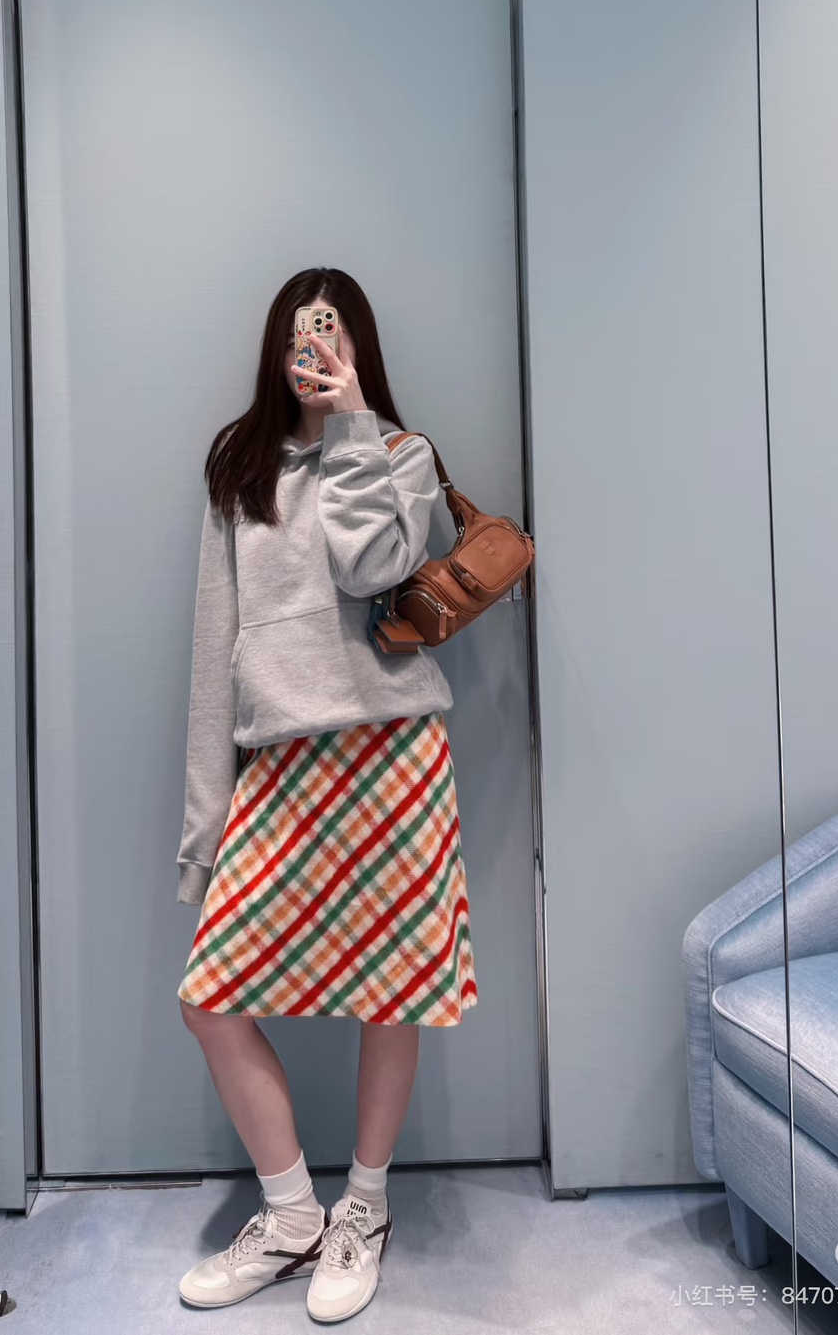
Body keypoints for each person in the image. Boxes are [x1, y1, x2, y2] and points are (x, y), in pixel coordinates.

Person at [175, 265, 477, 1323]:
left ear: (357, 348)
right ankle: (293, 1212)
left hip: (392, 756)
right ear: (278, 346)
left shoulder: (402, 454)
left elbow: (369, 569)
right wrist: (205, 827)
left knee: (391, 991)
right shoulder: (238, 463)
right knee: (209, 997)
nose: (315, 350)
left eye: (333, 335)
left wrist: (353, 428)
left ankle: (365, 1210)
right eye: (302, 334)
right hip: (282, 765)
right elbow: (215, 649)